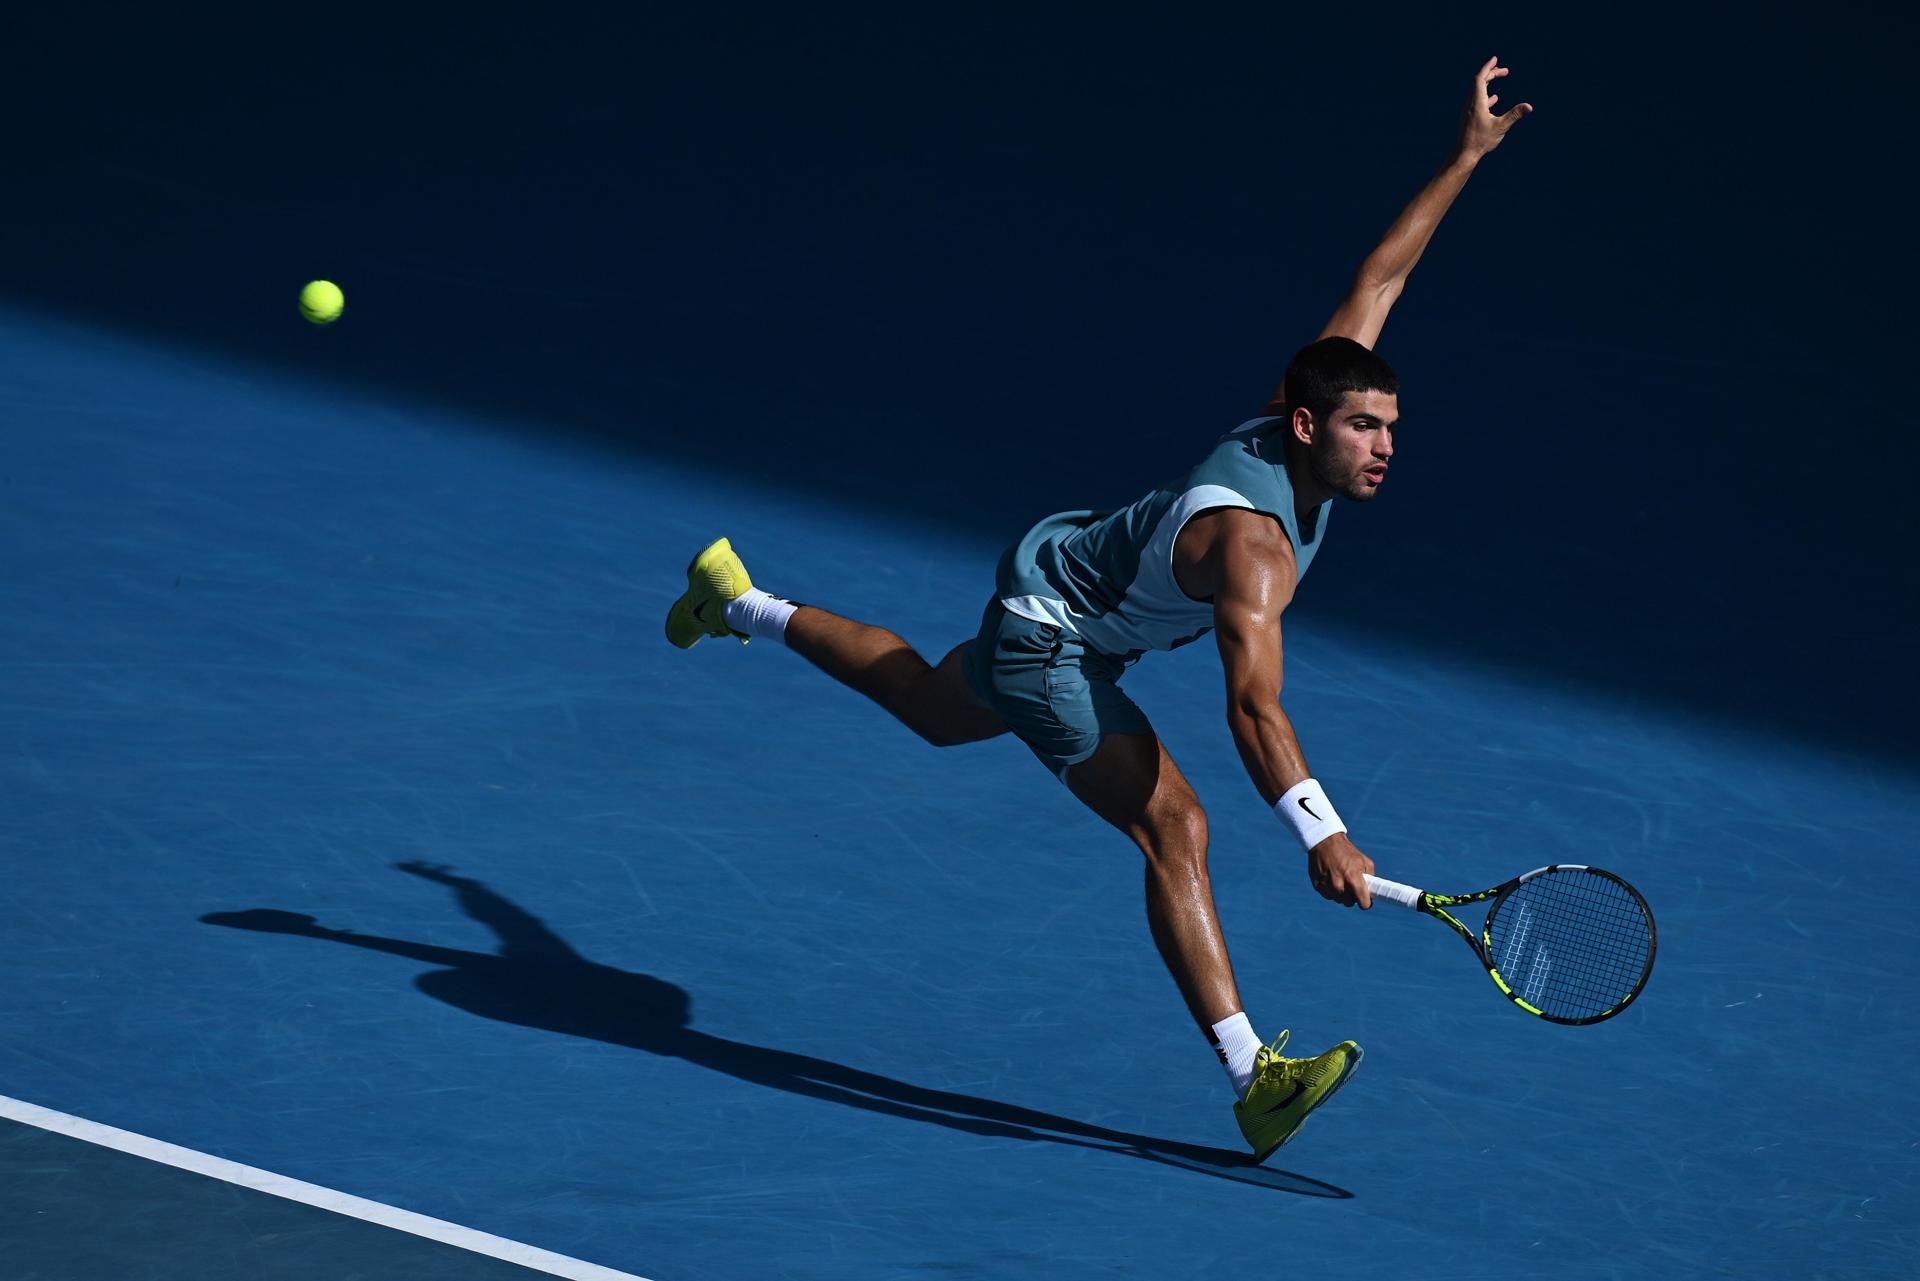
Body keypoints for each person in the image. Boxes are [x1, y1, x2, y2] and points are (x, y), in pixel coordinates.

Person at [665, 58, 1532, 1161]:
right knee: (1177, 827)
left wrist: (1463, 158)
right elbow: (1254, 713)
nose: (1386, 449)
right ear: (1311, 429)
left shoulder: (1297, 405)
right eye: (1367, 428)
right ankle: (1254, 1079)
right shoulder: (1256, 549)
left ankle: (736, 601)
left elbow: (1382, 276)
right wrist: (1323, 832)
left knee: (934, 706)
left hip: (1064, 584)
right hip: (1056, 640)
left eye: (1394, 429)